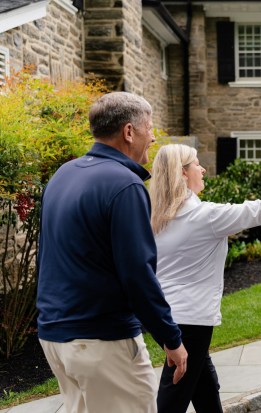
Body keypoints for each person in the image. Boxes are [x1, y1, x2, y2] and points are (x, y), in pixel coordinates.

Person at [148, 130, 261, 413]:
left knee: (205, 389)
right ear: (182, 173)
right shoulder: (204, 217)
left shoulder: (157, 218)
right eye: (196, 164)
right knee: (173, 399)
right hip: (191, 322)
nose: (202, 169)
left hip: (168, 319)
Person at [36, 91, 188, 413]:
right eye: (149, 127)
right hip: (102, 342)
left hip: (55, 337)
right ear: (129, 131)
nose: (153, 136)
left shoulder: (62, 176)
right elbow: (137, 274)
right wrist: (171, 339)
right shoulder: (125, 185)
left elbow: (47, 256)